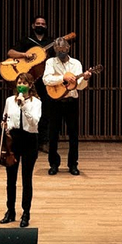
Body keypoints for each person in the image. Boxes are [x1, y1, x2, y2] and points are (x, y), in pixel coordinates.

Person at [43, 38, 91, 176]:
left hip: (71, 102)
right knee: (53, 135)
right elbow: (46, 79)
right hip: (55, 102)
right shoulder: (50, 62)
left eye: (63, 50)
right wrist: (63, 78)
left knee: (73, 135)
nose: (61, 53)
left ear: (68, 49)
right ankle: (53, 164)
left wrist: (85, 78)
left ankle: (73, 164)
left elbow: (80, 86)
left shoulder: (76, 63)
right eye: (58, 50)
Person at [0, 73, 42, 228]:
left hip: (30, 139)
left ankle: (26, 213)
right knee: (11, 179)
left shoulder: (36, 102)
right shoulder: (9, 101)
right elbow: (6, 117)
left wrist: (24, 105)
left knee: (26, 179)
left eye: (24, 82)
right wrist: (4, 125)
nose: (21, 85)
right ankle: (10, 211)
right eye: (19, 82)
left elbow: (34, 122)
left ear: (30, 85)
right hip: (14, 140)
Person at [8, 15, 54, 153]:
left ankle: (43, 141)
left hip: (44, 80)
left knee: (45, 110)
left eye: (43, 24)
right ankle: (24, 139)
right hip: (27, 81)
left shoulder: (50, 41)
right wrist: (24, 55)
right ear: (33, 26)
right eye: (38, 23)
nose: (40, 25)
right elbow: (10, 52)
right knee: (24, 107)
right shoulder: (26, 40)